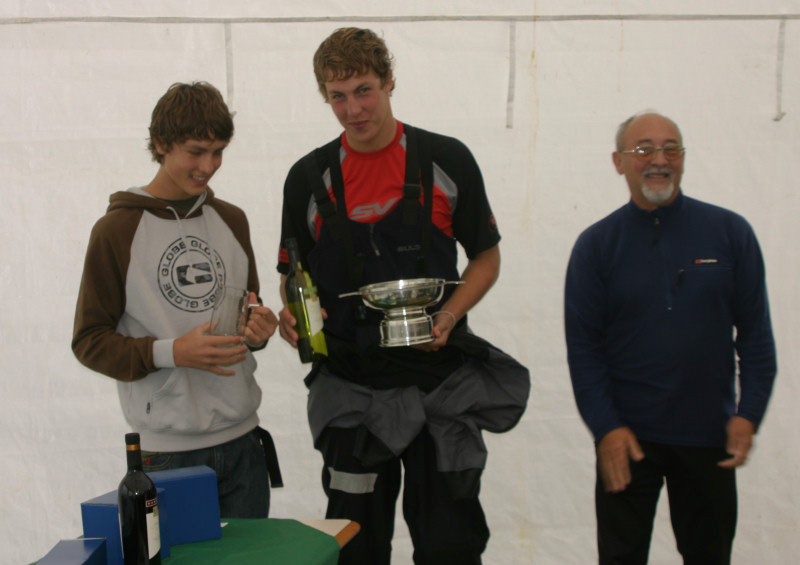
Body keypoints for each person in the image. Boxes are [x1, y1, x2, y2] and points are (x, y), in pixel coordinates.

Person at [276, 28, 529, 565]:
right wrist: (294, 316)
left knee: (449, 546)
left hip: (440, 387)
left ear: (390, 82)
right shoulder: (307, 178)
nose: (352, 109)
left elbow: (486, 257)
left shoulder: (446, 160)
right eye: (337, 96)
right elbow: (293, 275)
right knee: (355, 549)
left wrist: (451, 313)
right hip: (351, 392)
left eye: (364, 90)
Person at [564, 110, 777, 564]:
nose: (658, 160)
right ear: (618, 161)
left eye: (670, 148)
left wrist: (749, 413)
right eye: (643, 149)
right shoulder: (596, 246)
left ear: (683, 158)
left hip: (709, 437)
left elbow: (756, 335)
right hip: (627, 438)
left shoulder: (730, 233)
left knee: (710, 555)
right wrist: (606, 428)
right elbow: (584, 352)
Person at [72, 81, 281, 518]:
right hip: (167, 456)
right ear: (160, 143)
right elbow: (89, 341)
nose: (209, 165)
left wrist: (258, 330)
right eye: (196, 150)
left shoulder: (231, 220)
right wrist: (173, 352)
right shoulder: (116, 231)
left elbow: (247, 313)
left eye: (219, 151)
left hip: (244, 444)